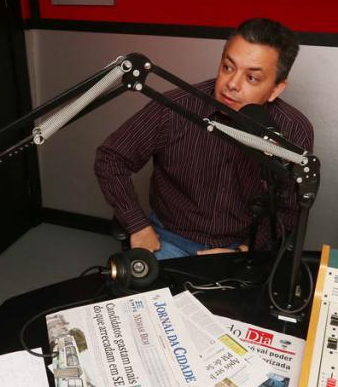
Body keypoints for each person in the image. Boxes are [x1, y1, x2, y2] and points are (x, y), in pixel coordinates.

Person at [95, 18, 314, 260]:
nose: (231, 84)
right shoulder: (176, 106)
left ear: (276, 89)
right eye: (228, 67)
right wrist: (137, 225)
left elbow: (289, 210)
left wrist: (242, 253)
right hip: (169, 239)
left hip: (240, 247)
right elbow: (111, 158)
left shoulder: (293, 129)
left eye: (252, 78)